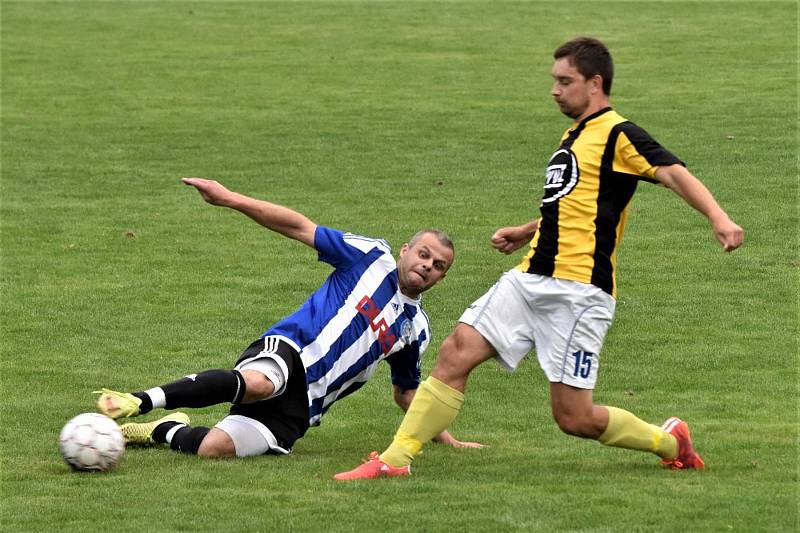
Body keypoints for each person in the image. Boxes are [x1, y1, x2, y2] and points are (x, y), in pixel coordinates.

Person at [334, 36, 744, 480]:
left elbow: (673, 172)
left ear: (594, 83)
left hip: (580, 292)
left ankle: (669, 441)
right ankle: (396, 460)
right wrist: (527, 229)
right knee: (456, 353)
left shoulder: (618, 134)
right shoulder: (574, 135)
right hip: (529, 278)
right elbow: (576, 204)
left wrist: (718, 218)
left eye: (565, 81)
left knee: (574, 418)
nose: (555, 90)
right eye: (554, 80)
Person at [95, 177, 482, 458]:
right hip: (293, 348)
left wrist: (443, 436)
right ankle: (141, 400)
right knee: (260, 383)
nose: (427, 265)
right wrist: (230, 199)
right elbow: (299, 226)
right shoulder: (370, 256)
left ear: (443, 276)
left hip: (308, 401)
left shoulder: (415, 329)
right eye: (424, 254)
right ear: (405, 251)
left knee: (215, 448)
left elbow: (407, 391)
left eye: (438, 265)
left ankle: (161, 430)